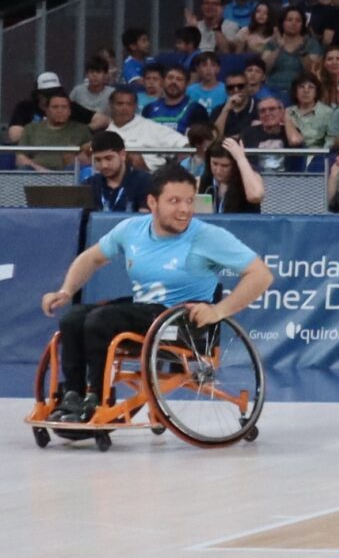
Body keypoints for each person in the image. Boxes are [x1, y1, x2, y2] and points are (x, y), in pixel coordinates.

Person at [39, 162, 275, 422]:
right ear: (152, 202)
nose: (185, 209)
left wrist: (218, 311)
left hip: (184, 323)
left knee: (100, 320)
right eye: (174, 201)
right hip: (143, 314)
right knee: (72, 319)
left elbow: (261, 275)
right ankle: (73, 395)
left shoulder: (208, 236)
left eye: (189, 200)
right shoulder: (132, 229)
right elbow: (92, 258)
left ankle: (95, 398)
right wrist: (66, 290)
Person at [81, 131, 149, 214]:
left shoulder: (144, 181)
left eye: (109, 158)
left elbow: (145, 218)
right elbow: (81, 218)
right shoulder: (90, 184)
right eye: (98, 160)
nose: (104, 165)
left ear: (122, 155)